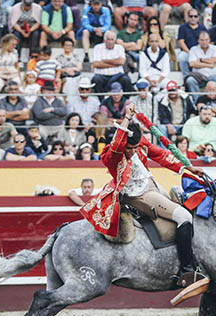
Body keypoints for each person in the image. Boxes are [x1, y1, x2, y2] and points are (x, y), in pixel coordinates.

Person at [80, 103, 207, 288]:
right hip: (136, 194)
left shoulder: (140, 144)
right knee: (184, 216)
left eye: (135, 147)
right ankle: (187, 269)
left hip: (151, 186)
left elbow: (162, 155)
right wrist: (127, 118)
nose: (132, 151)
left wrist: (187, 168)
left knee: (182, 201)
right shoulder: (113, 154)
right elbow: (117, 143)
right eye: (129, 148)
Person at [186, 31, 216, 102]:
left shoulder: (215, 48)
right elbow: (192, 64)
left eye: (206, 40)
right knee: (190, 81)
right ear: (198, 40)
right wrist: (209, 65)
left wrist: (201, 60)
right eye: (202, 40)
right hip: (199, 77)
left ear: (209, 40)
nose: (204, 42)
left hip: (213, 76)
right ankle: (198, 102)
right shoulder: (193, 49)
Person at [91, 30, 134, 94]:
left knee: (126, 79)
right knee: (96, 79)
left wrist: (104, 61)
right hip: (101, 75)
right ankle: (101, 100)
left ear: (115, 40)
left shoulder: (120, 48)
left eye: (112, 39)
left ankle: (125, 101)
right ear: (104, 40)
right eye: (108, 39)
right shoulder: (98, 47)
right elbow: (96, 64)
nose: (110, 42)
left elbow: (121, 62)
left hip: (118, 75)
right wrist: (115, 64)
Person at [177, 8, 207, 77]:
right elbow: (181, 42)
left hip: (200, 52)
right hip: (187, 52)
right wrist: (190, 53)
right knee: (182, 57)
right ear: (187, 17)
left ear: (198, 17)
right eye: (191, 16)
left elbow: (206, 41)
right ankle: (186, 77)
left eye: (195, 16)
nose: (193, 18)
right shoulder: (182, 27)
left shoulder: (202, 28)